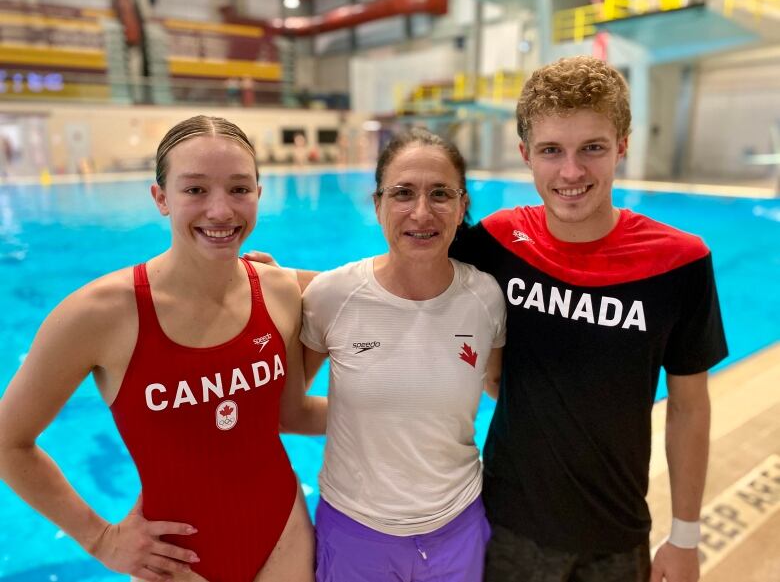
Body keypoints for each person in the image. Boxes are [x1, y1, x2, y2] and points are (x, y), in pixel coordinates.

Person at [0, 116, 325, 582]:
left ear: (259, 193)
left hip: (284, 532)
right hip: (175, 559)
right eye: (195, 190)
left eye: (239, 189)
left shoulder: (283, 290)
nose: (220, 211)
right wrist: (99, 539)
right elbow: (8, 442)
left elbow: (379, 292)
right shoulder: (98, 313)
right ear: (161, 198)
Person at [449, 56, 727, 582]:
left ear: (622, 145)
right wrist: (266, 279)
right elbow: (402, 274)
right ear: (525, 155)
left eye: (592, 148)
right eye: (552, 151)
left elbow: (689, 407)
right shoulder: (499, 242)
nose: (571, 172)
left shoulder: (681, 261)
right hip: (507, 527)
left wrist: (685, 537)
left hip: (617, 533)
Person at [300, 128, 506, 581]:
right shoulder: (331, 296)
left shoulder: (486, 297)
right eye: (402, 193)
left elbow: (497, 385)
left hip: (459, 525)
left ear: (462, 205)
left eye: (440, 194)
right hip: (357, 530)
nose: (421, 212)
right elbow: (284, 410)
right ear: (376, 204)